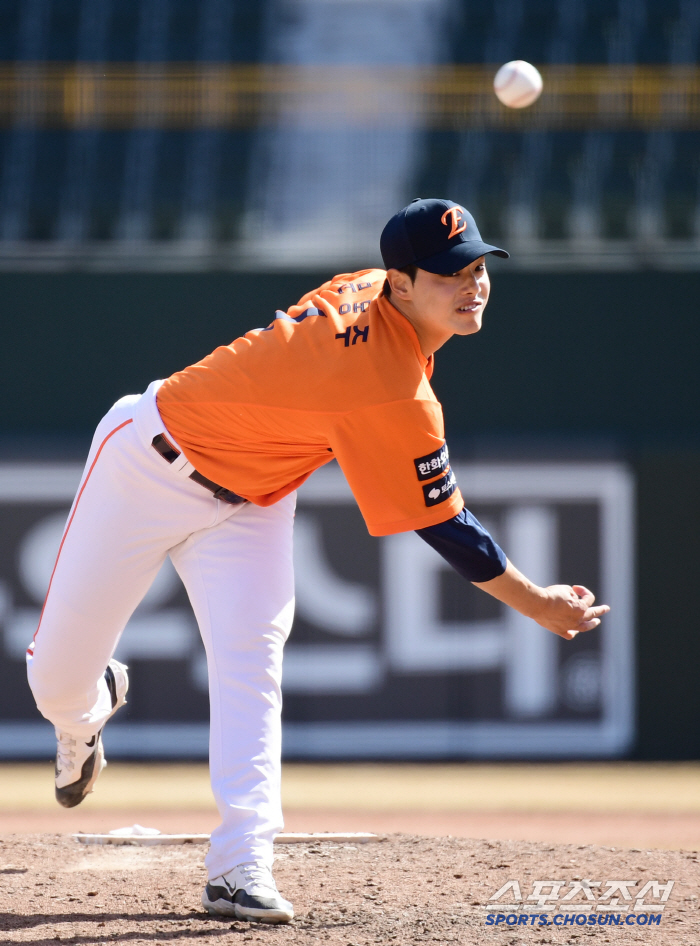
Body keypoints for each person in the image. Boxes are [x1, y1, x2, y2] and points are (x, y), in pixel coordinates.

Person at [27, 198, 609, 925]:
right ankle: (84, 714)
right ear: (400, 284)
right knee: (52, 680)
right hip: (145, 465)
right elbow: (447, 526)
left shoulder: (372, 288)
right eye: (451, 273)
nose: (474, 283)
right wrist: (540, 605)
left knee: (251, 659)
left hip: (255, 500)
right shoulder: (389, 385)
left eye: (479, 266)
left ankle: (241, 866)